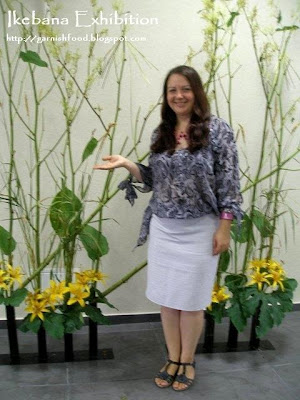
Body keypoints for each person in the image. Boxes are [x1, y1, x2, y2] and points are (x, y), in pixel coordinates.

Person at [93, 65, 243, 392]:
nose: (178, 96)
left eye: (185, 89)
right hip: (164, 227)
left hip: (201, 228)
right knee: (167, 298)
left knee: (190, 300)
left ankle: (186, 360)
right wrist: (128, 164)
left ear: (197, 92)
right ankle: (172, 356)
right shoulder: (162, 131)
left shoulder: (217, 130)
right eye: (172, 90)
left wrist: (224, 227)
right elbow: (155, 181)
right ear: (166, 96)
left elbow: (230, 184)